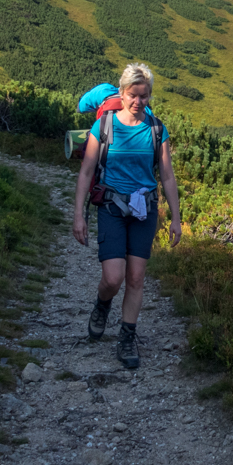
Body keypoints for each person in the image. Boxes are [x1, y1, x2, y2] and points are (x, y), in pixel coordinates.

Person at [72, 64, 181, 369]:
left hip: (144, 210)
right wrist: (78, 215)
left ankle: (127, 336)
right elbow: (87, 171)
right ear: (121, 93)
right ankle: (102, 304)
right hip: (111, 208)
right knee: (113, 278)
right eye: (133, 95)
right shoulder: (104, 126)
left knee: (135, 277)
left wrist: (175, 218)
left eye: (144, 96)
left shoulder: (157, 129)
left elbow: (168, 176)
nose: (138, 102)